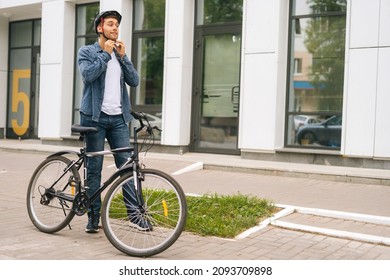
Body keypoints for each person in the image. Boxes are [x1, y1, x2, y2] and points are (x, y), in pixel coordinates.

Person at [77, 10, 147, 233]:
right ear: (100, 28)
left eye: (117, 24)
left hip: (118, 119)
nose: (115, 28)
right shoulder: (87, 51)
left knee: (126, 168)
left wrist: (123, 57)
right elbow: (88, 76)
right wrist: (105, 55)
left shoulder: (119, 54)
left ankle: (135, 215)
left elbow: (134, 81)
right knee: (94, 169)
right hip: (94, 118)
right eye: (110, 24)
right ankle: (93, 217)